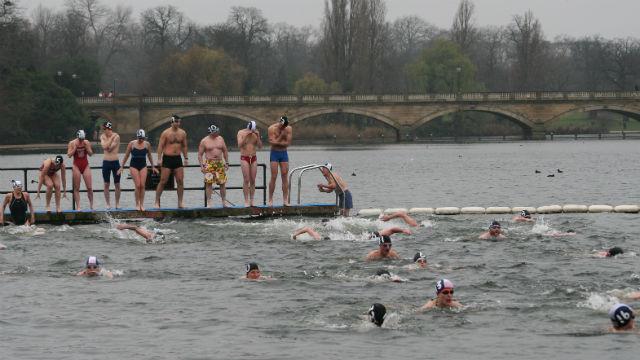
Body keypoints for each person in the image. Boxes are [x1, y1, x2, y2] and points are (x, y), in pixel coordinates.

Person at [119, 129, 158, 211]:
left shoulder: (147, 144)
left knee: (142, 185)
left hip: (143, 165)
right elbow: (126, 156)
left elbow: (149, 156)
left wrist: (153, 166)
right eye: (139, 138)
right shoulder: (132, 144)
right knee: (138, 185)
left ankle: (142, 204)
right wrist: (121, 166)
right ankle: (137, 204)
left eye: (142, 138)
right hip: (134, 166)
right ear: (137, 137)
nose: (141, 140)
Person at [155, 114, 188, 208]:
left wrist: (186, 158)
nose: (178, 124)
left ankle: (180, 202)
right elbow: (160, 146)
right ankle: (157, 201)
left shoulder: (182, 133)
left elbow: (184, 146)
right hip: (167, 158)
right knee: (163, 181)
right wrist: (159, 158)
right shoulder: (166, 133)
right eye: (176, 122)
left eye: (179, 122)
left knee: (180, 181)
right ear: (172, 122)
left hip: (177, 158)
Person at [198, 124, 229, 207]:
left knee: (222, 183)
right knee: (209, 183)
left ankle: (224, 202)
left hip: (219, 163)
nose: (217, 133)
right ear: (211, 133)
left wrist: (226, 162)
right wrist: (202, 166)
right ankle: (209, 202)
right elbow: (200, 155)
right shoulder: (204, 141)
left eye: (217, 131)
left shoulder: (220, 139)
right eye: (215, 132)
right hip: (209, 164)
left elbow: (225, 151)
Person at [267, 115, 292, 206]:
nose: (284, 127)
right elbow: (272, 143)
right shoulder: (271, 128)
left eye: (285, 126)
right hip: (274, 154)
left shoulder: (288, 128)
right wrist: (281, 136)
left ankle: (285, 200)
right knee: (273, 176)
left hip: (283, 154)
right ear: (280, 123)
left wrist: (278, 143)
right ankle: (270, 199)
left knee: (285, 176)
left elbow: (287, 144)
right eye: (283, 126)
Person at [237, 120, 263, 206]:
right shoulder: (241, 132)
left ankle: (252, 200)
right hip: (245, 157)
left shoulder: (256, 133)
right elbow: (239, 145)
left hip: (254, 157)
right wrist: (246, 136)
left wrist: (258, 136)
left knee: (253, 180)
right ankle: (246, 200)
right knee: (246, 179)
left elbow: (260, 146)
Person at [67, 129, 94, 210]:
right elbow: (69, 155)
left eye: (83, 139)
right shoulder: (72, 143)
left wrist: (87, 147)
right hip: (76, 165)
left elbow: (91, 154)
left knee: (89, 187)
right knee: (76, 188)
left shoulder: (86, 142)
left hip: (85, 165)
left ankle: (91, 206)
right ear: (77, 137)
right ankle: (78, 206)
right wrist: (74, 149)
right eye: (80, 139)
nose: (81, 141)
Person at [100, 121, 121, 209]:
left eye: (105, 129)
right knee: (106, 184)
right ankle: (108, 204)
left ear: (109, 129)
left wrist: (109, 140)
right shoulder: (103, 136)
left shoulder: (117, 136)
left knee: (117, 184)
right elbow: (104, 147)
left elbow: (110, 148)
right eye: (104, 129)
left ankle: (117, 203)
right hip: (106, 162)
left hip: (115, 162)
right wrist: (111, 139)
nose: (104, 131)